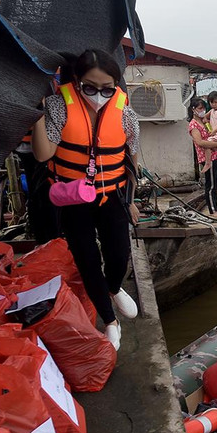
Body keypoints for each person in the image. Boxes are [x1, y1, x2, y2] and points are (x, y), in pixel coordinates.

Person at [31, 48, 141, 351]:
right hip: (73, 200)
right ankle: (110, 321)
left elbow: (133, 158)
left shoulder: (126, 113)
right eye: (90, 87)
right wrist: (36, 115)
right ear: (78, 81)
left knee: (118, 255)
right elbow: (43, 154)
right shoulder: (58, 106)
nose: (98, 95)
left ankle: (114, 288)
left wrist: (131, 199)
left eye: (107, 89)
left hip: (112, 197)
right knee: (87, 260)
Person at [187, 96, 217, 218]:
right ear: (194, 109)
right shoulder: (193, 125)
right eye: (200, 108)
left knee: (215, 184)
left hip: (216, 155)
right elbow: (200, 142)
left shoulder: (205, 122)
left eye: (204, 108)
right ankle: (212, 210)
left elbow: (213, 133)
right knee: (210, 185)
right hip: (207, 157)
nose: (202, 110)